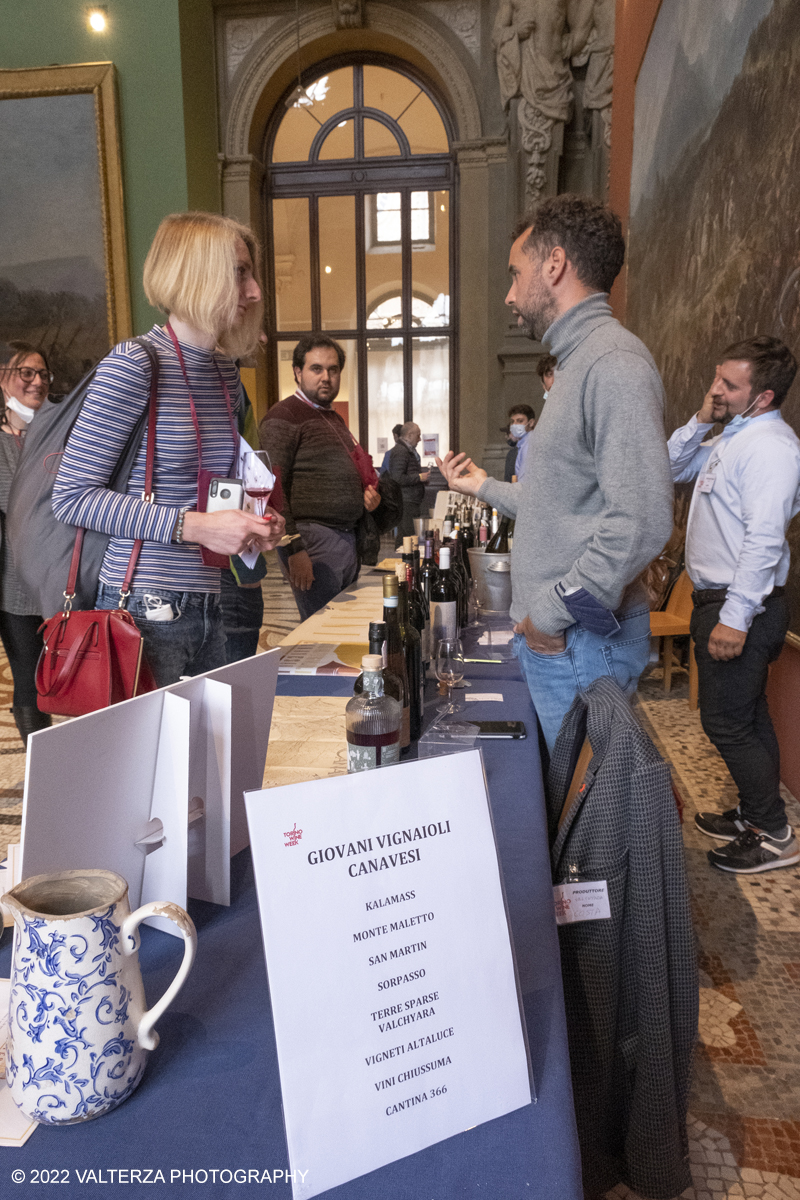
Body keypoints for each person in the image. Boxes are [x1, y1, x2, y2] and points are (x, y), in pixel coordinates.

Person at [437, 193, 673, 751]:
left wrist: (549, 614)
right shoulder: (577, 362)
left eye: (517, 275)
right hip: (568, 641)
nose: (510, 294)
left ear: (555, 264)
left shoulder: (612, 362)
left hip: (578, 644)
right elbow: (562, 504)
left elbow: (641, 521)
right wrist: (484, 488)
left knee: (587, 823)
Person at [52, 211, 285, 688]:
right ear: (198, 275)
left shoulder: (225, 374)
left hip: (211, 600)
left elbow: (206, 488)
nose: (255, 291)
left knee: (203, 759)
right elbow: (71, 497)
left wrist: (251, 521)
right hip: (139, 605)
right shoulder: (135, 363)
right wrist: (199, 527)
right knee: (145, 762)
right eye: (240, 273)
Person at [668, 336, 800, 873]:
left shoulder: (771, 447)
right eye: (717, 378)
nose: (717, 389)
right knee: (747, 716)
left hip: (741, 606)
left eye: (729, 384)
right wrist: (702, 416)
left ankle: (774, 833)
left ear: (763, 396)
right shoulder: (733, 435)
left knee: (726, 724)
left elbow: (765, 540)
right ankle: (755, 812)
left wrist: (734, 618)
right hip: (718, 600)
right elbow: (671, 465)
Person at [259, 335, 381, 620]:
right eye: (317, 369)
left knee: (343, 627)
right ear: (298, 372)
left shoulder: (331, 416)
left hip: (345, 538)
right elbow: (272, 490)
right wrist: (294, 548)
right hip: (312, 541)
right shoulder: (284, 416)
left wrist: (366, 498)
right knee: (322, 632)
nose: (326, 377)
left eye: (333, 369)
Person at [0, 341, 53, 743]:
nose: (37, 382)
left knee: (81, 670)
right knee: (29, 681)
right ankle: (42, 763)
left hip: (66, 579)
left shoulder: (63, 432)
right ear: (3, 379)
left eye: (42, 374)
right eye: (26, 374)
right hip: (15, 586)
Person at [388, 421, 430, 544]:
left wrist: (420, 479)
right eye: (418, 435)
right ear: (410, 435)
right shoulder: (401, 451)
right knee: (407, 537)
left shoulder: (406, 450)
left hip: (409, 500)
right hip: (405, 500)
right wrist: (419, 477)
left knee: (405, 536)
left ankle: (403, 561)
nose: (420, 439)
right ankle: (404, 561)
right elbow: (397, 478)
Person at [504, 403, 536, 482]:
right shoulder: (521, 443)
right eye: (512, 421)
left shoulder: (530, 443)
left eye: (520, 421)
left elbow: (524, 478)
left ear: (531, 423)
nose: (515, 424)